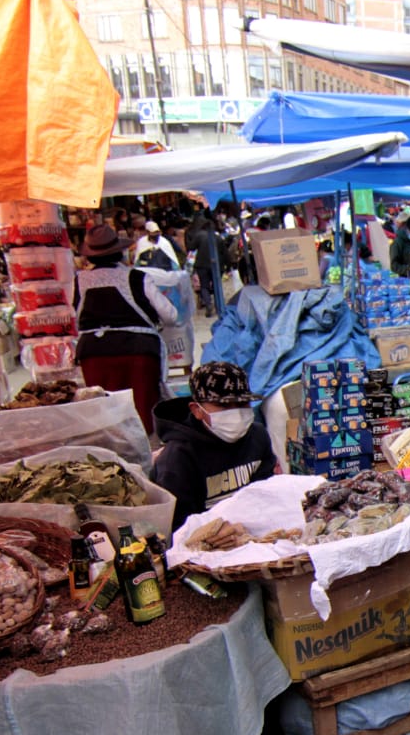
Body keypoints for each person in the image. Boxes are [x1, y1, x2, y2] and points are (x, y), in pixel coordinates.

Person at [74, 223, 179, 433]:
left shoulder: (78, 281)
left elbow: (74, 319)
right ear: (119, 251)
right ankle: (147, 455)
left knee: (105, 414)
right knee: (142, 412)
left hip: (94, 355)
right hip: (137, 353)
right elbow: (170, 316)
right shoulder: (137, 277)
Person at [149, 362, 276, 529]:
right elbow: (179, 526)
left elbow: (266, 494)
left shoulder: (258, 436)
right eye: (223, 405)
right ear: (197, 410)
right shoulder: (178, 457)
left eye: (242, 404)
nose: (236, 413)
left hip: (253, 529)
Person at [186, 215, 217, 317]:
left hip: (201, 264)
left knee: (204, 285)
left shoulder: (198, 235)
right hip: (214, 263)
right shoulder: (215, 235)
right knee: (215, 284)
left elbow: (191, 247)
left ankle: (208, 304)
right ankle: (218, 304)